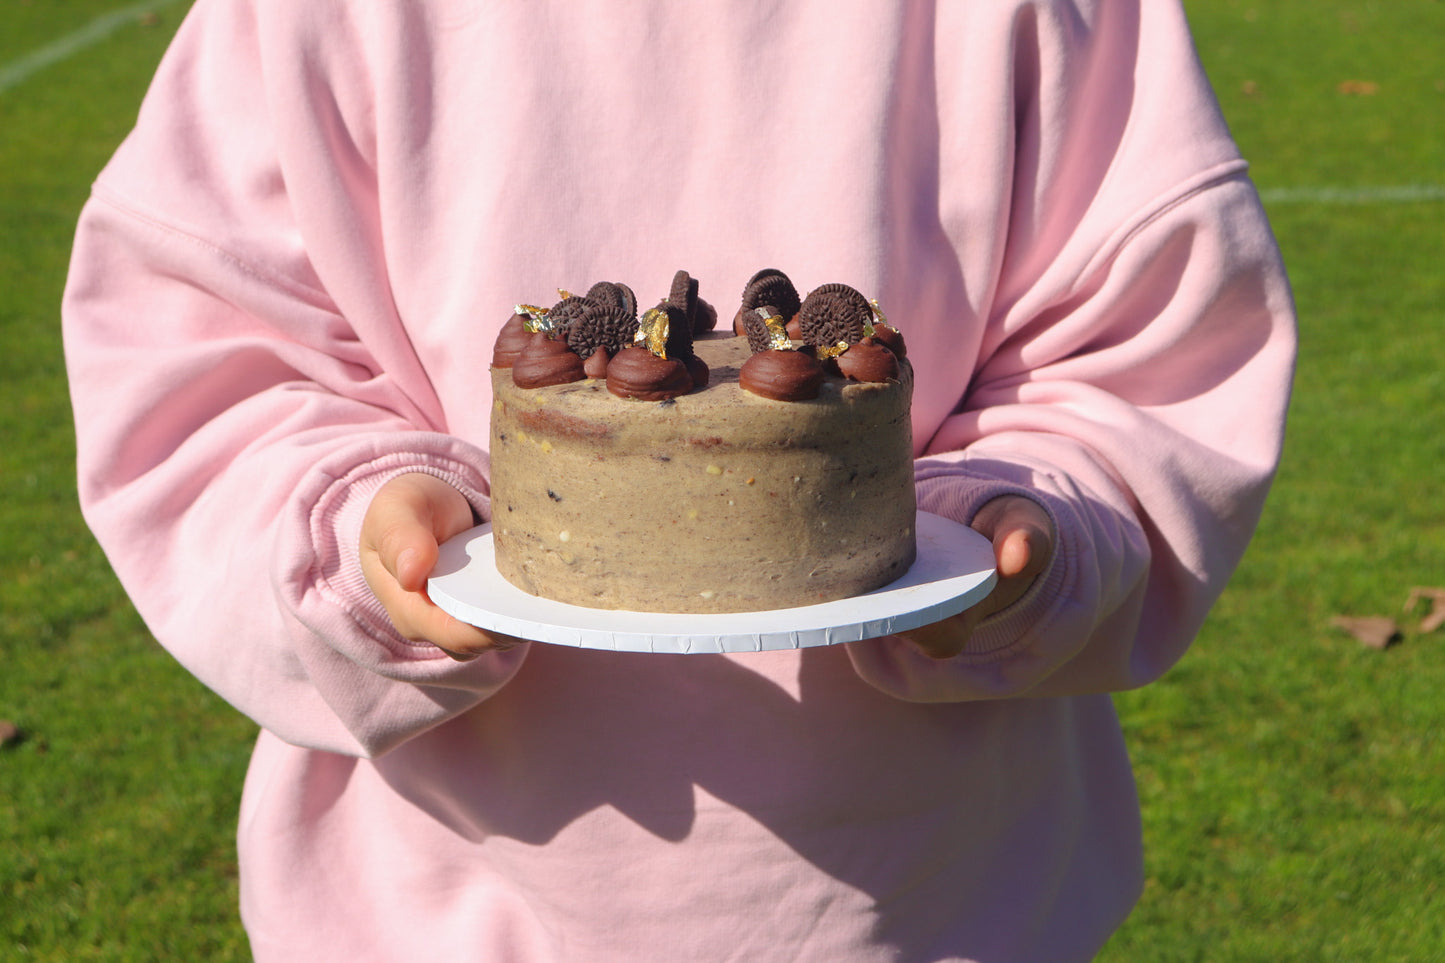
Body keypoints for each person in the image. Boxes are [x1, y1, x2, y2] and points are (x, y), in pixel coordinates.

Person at [62, 0, 1295, 959]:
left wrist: (1023, 523)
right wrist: (346, 527)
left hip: (939, 905)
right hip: (438, 908)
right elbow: (208, 352)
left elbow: (1145, 343)